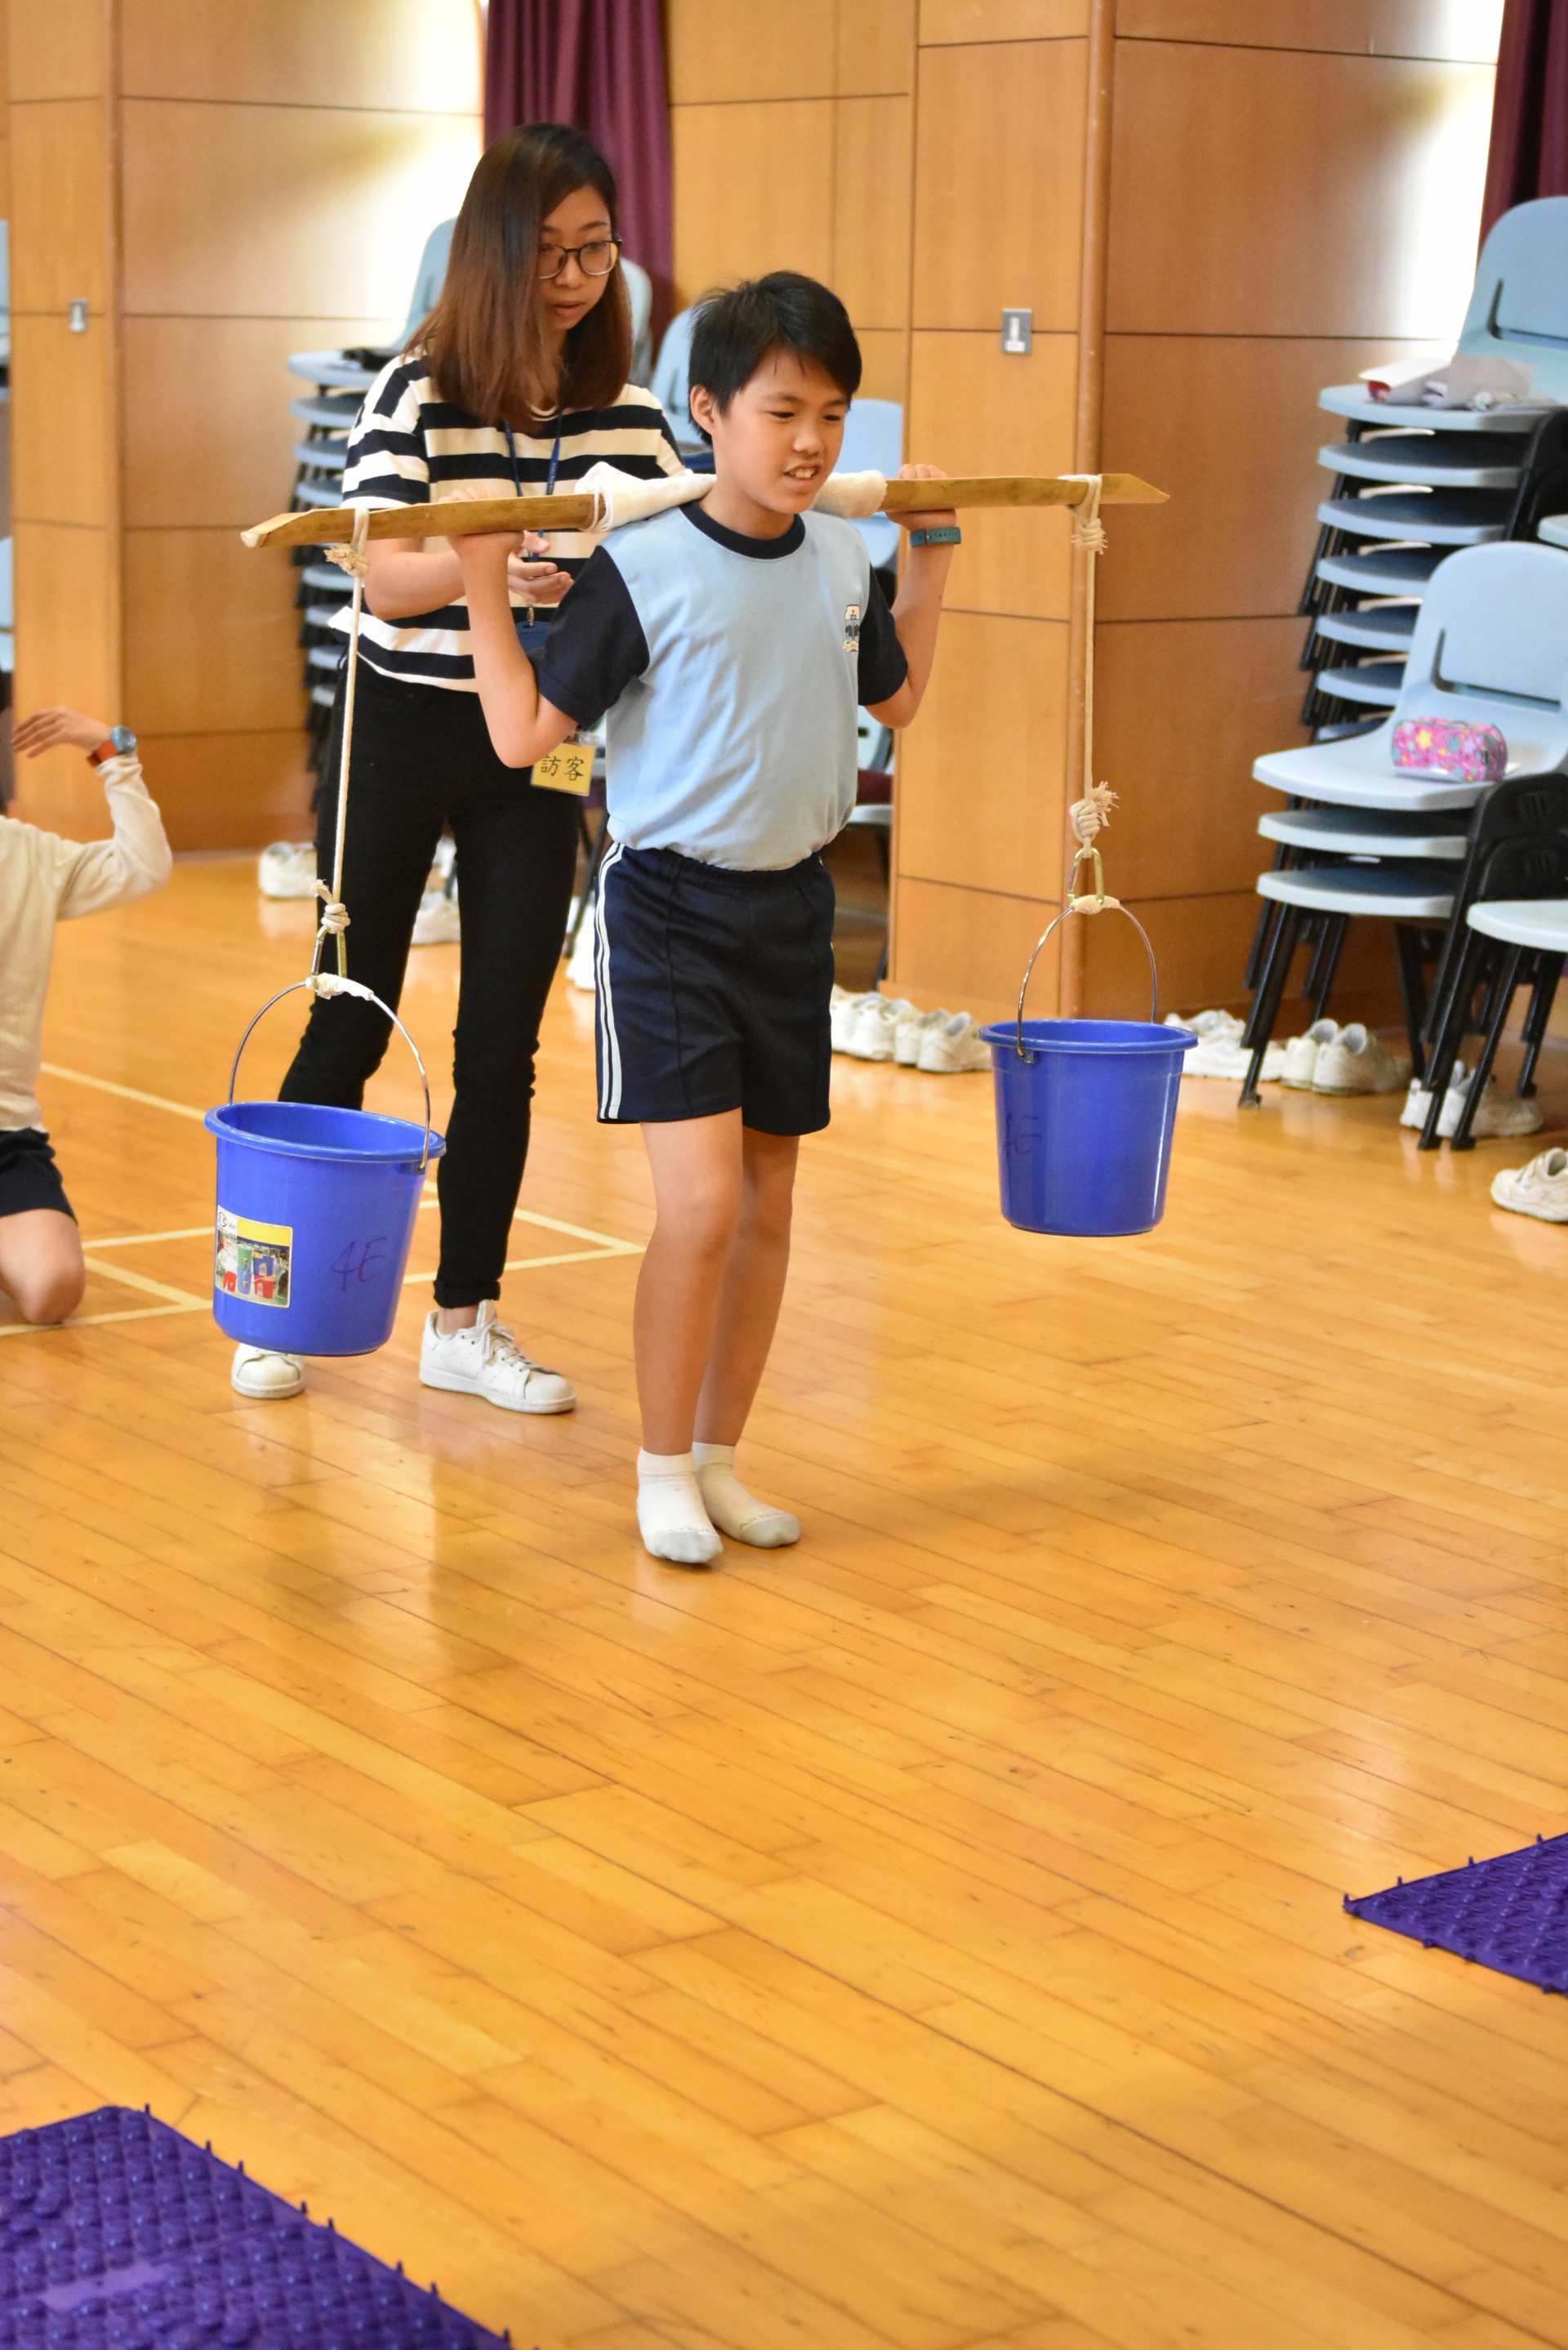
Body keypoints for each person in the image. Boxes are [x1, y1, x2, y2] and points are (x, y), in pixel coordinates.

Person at [452, 272, 956, 1564]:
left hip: (794, 907)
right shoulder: (643, 566)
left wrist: (933, 555)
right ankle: (662, 1468)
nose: (810, 443)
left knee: (769, 1204)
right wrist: (481, 583)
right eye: (783, 412)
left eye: (832, 416)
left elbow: (898, 703)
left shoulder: (839, 555)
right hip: (668, 911)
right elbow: (523, 736)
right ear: (711, 412)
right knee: (701, 1208)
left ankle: (721, 1461)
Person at [234, 123, 686, 1409]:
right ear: (493, 252)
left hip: (539, 744)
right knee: (350, 1008)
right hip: (400, 725)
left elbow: (674, 553)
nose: (577, 278)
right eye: (550, 252)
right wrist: (493, 558)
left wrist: (576, 573)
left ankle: (463, 1319)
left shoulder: (631, 414)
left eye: (596, 250)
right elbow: (383, 570)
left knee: (501, 1044)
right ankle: (275, 1302)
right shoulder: (415, 390)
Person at [0, 707, 172, 1323]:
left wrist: (112, 754)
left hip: (6, 1134)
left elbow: (143, 866)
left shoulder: (25, 853)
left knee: (53, 1291)